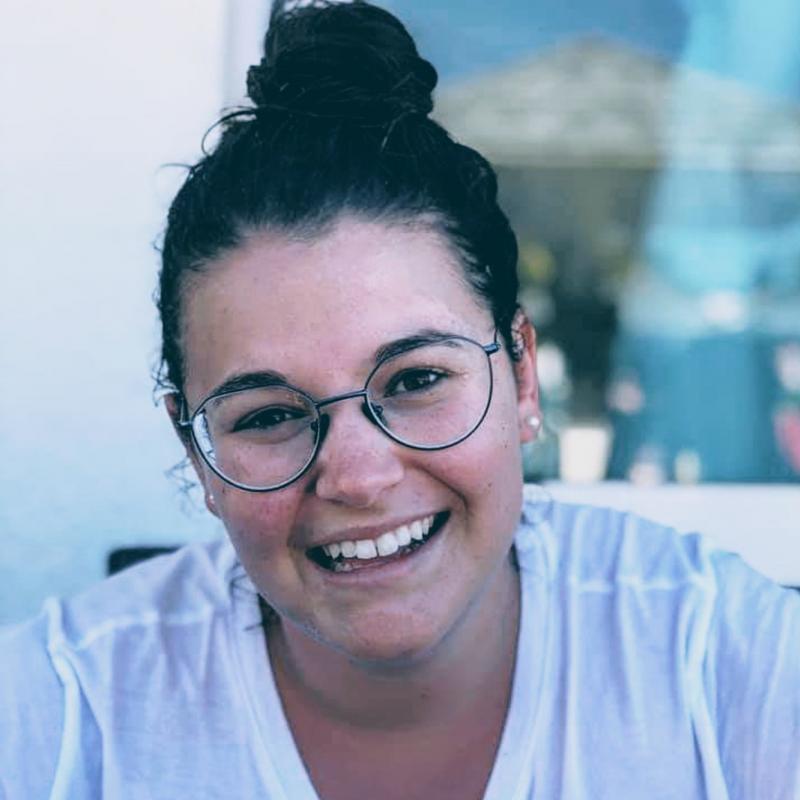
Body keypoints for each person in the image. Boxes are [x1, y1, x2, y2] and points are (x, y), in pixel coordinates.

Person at [1, 2, 798, 798]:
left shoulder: (723, 665)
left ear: (521, 375)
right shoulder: (67, 714)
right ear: (196, 452)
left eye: (416, 380)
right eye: (270, 416)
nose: (357, 476)